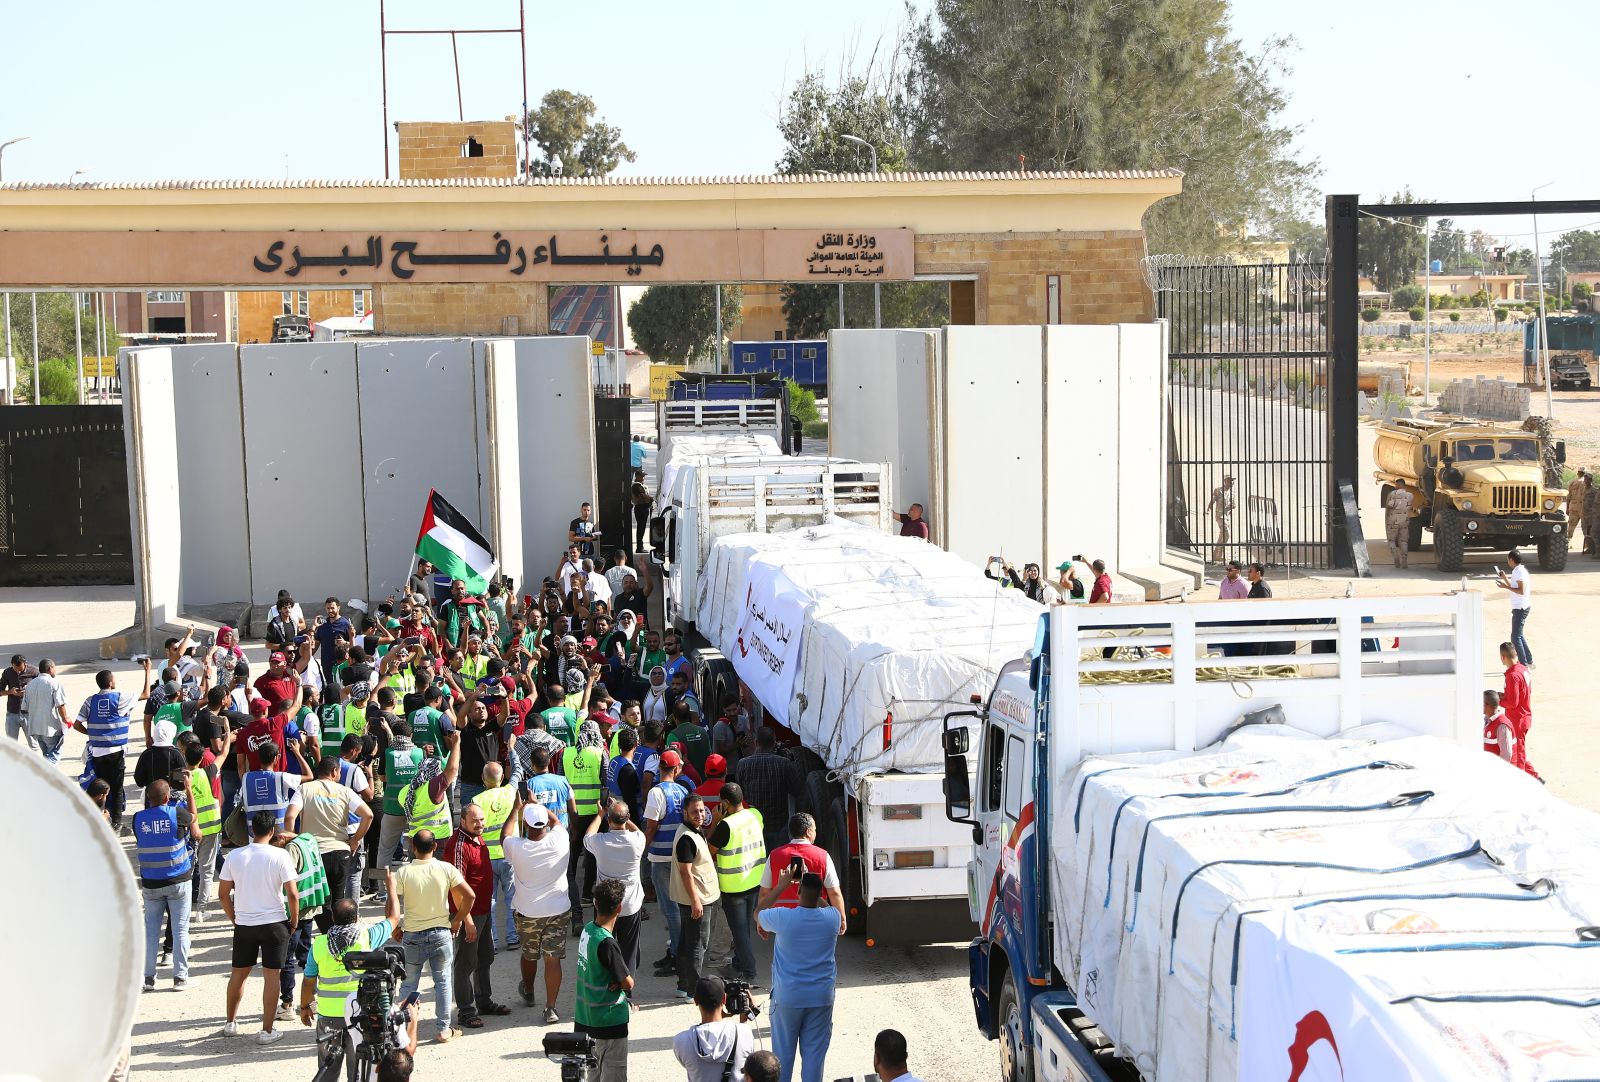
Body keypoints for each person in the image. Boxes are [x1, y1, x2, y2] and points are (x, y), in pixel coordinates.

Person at [219, 810, 301, 1044]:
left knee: (238, 974)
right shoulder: (279, 856)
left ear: (252, 830)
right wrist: (293, 921)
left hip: (245, 923)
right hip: (275, 923)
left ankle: (230, 1023)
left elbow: (223, 894)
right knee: (271, 976)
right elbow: (292, 894)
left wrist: (234, 918)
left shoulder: (235, 856)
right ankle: (266, 1031)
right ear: (273, 831)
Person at [296, 887, 403, 1063]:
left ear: (332, 919)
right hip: (359, 1013)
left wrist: (305, 1007)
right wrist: (391, 887)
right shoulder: (368, 937)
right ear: (356, 917)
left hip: (328, 1016)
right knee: (358, 1071)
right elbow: (394, 918)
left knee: (328, 1070)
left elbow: (308, 981)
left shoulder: (319, 944)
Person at [756, 869, 841, 1082]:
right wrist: (812, 893)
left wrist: (782, 885)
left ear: (799, 891)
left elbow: (758, 911)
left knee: (782, 1059)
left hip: (788, 998)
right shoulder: (833, 919)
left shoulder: (784, 917)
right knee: (814, 1057)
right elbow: (826, 906)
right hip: (821, 998)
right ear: (820, 892)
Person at [392, 827, 475, 1044]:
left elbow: (392, 904)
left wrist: (396, 926)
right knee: (443, 981)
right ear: (435, 847)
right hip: (441, 933)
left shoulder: (403, 872)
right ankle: (443, 1029)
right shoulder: (446, 868)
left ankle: (402, 1029)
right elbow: (470, 895)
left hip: (412, 935)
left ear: (412, 847)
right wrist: (457, 919)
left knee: (409, 984)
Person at [439, 802, 508, 1030]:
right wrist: (465, 920)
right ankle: (466, 1012)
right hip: (469, 914)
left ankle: (484, 1001)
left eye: (481, 819)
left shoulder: (477, 838)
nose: (480, 824)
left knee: (485, 957)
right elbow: (455, 886)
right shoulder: (458, 846)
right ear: (463, 821)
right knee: (465, 964)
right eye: (475, 821)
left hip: (484, 911)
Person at [504, 801, 571, 1024]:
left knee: (529, 954)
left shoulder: (516, 846)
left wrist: (517, 808)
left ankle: (529, 989)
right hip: (558, 910)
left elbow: (504, 834)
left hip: (528, 912)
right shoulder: (560, 839)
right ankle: (550, 1008)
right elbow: (557, 822)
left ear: (526, 824)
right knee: (552, 960)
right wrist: (539, 804)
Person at [134, 777, 199, 992]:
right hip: (178, 880)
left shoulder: (138, 819)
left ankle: (148, 978)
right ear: (167, 797)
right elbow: (193, 817)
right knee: (180, 929)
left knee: (151, 931)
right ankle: (180, 978)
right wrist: (189, 790)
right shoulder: (176, 814)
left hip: (151, 884)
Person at [75, 660, 152, 830]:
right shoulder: (119, 698)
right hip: (116, 752)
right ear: (111, 682)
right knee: (116, 789)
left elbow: (76, 724)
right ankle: (116, 823)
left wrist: (93, 734)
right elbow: (146, 694)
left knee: (101, 786)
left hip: (97, 752)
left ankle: (100, 817)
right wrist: (147, 671)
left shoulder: (90, 701)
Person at [297, 756, 374, 926]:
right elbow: (368, 815)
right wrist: (355, 840)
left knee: (319, 901)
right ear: (334, 771)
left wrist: (295, 839)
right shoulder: (344, 791)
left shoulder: (305, 789)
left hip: (314, 853)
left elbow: (290, 815)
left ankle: (328, 932)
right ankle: (338, 934)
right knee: (338, 898)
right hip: (341, 851)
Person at [576, 877, 634, 1082]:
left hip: (585, 1018)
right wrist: (621, 982)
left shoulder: (588, 931)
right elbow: (628, 982)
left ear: (594, 903)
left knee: (591, 1075)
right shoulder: (607, 942)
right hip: (609, 1022)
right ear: (619, 908)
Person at [707, 782, 764, 986]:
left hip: (734, 887)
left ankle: (748, 972)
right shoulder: (755, 815)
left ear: (724, 803)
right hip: (754, 881)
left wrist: (715, 820)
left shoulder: (725, 826)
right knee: (744, 928)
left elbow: (708, 850)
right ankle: (739, 964)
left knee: (739, 932)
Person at [584, 796, 647, 977]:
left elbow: (588, 835)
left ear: (608, 821)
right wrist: (625, 818)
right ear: (627, 819)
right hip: (630, 905)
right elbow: (638, 831)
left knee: (603, 947)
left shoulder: (599, 842)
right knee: (629, 952)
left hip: (605, 905)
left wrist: (600, 814)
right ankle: (626, 995)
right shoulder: (637, 841)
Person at [760, 813, 848, 930]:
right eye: (815, 830)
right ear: (808, 832)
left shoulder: (774, 856)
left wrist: (761, 921)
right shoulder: (823, 856)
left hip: (783, 922)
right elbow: (834, 893)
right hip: (815, 918)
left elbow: (764, 893)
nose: (815, 833)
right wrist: (841, 918)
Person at [673, 792, 722, 999]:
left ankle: (684, 985)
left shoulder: (692, 831)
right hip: (698, 900)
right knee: (697, 945)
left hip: (697, 898)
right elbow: (685, 872)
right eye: (694, 812)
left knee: (687, 943)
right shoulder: (686, 838)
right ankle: (694, 991)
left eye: (701, 810)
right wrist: (695, 901)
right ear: (685, 812)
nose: (699, 815)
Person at [645, 750, 690, 971]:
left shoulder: (656, 793)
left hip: (661, 856)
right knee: (677, 907)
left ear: (660, 768)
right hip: (678, 854)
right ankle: (678, 950)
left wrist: (642, 848)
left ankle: (677, 956)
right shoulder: (683, 790)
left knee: (670, 909)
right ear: (677, 769)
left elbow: (651, 826)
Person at [563, 720, 608, 934]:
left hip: (573, 813)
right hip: (594, 812)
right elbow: (605, 784)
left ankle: (572, 903)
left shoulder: (567, 752)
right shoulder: (599, 753)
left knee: (571, 858)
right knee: (592, 854)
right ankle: (587, 896)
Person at [471, 763, 519, 950]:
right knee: (511, 899)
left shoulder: (477, 800)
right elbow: (517, 771)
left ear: (483, 779)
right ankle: (513, 937)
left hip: (487, 859)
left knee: (489, 902)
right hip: (509, 856)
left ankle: (492, 941)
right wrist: (511, 749)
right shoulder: (510, 791)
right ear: (501, 779)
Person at [734, 729, 804, 855]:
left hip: (752, 826)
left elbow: (740, 794)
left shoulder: (742, 764)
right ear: (774, 742)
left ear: (756, 742)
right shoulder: (784, 763)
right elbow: (797, 790)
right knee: (777, 863)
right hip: (778, 825)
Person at [675, 975, 756, 1082]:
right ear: (724, 999)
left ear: (695, 1000)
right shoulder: (744, 1032)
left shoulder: (681, 1040)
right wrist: (743, 1019)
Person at [239, 738, 309, 832]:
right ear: (276, 758)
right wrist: (297, 752)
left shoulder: (246, 778)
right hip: (279, 836)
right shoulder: (282, 777)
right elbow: (309, 776)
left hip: (254, 836)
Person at [1499, 642, 1542, 781]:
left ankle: (1522, 781)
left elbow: (1512, 703)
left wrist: (1498, 700)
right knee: (1519, 749)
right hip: (1524, 717)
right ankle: (1535, 777)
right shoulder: (1523, 669)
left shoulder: (1512, 676)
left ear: (1502, 657)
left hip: (1517, 719)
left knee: (1518, 753)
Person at [20, 656, 69, 763]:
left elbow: (24, 707)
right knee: (53, 756)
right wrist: (66, 719)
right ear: (50, 669)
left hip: (35, 728)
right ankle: (43, 777)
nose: (55, 670)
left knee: (46, 755)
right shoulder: (54, 683)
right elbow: (60, 704)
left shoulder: (30, 685)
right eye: (55, 668)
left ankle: (44, 776)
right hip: (50, 728)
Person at [1495, 549, 1533, 667]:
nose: (1508, 562)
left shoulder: (1519, 572)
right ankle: (1529, 661)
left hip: (1521, 608)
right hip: (1520, 607)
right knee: (1519, 635)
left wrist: (1505, 587)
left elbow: (1521, 591)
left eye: (1508, 560)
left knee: (1515, 637)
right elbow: (1514, 586)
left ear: (1512, 560)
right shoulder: (1518, 570)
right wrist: (1505, 578)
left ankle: (1523, 664)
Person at [3, 654, 38, 749]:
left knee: (34, 745)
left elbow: (42, 690)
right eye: (16, 669)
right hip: (12, 713)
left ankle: (34, 763)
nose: (18, 671)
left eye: (21, 669)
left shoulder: (34, 671)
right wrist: (10, 692)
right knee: (11, 746)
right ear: (12, 665)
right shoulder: (7, 673)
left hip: (29, 713)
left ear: (25, 664)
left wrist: (28, 692)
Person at [1383, 479, 1416, 569]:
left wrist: (1387, 521)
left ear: (1398, 484)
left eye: (1396, 484)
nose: (1395, 486)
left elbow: (1389, 507)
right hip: (1404, 520)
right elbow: (1411, 507)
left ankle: (1395, 556)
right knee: (1404, 541)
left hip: (1393, 520)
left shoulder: (1392, 494)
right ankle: (1404, 560)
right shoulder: (1410, 495)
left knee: (1391, 541)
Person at [1206, 474, 1235, 563]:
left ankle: (1217, 555)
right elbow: (1212, 501)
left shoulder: (1232, 492)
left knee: (1222, 535)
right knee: (1227, 534)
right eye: (1230, 480)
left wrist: (1232, 506)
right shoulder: (1218, 490)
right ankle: (1217, 553)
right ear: (1225, 481)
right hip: (1220, 516)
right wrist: (1208, 510)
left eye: (1232, 480)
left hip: (1227, 516)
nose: (1232, 482)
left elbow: (1233, 504)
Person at [630, 467, 652, 551]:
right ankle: (639, 547)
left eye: (644, 476)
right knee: (641, 528)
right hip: (640, 508)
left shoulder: (641, 485)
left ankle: (640, 546)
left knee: (642, 528)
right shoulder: (636, 486)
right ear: (637, 476)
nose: (643, 478)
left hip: (644, 508)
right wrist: (651, 498)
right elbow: (643, 496)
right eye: (642, 476)